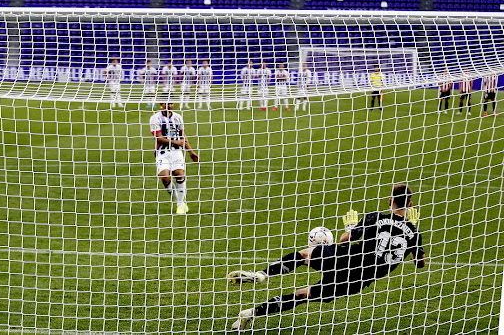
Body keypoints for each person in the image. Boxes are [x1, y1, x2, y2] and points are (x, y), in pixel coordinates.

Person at [227, 184, 426, 331]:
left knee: (305, 254)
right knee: (302, 295)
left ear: (390, 200)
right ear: (410, 204)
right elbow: (419, 264)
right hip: (358, 281)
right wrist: (411, 228)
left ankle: (262, 274)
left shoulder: (375, 217)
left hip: (347, 260)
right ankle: (250, 314)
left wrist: (350, 228)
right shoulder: (414, 232)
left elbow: (343, 240)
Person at [149, 102, 199, 214]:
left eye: (171, 103)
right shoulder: (155, 118)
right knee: (165, 177)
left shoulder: (178, 117)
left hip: (176, 151)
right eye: (166, 103)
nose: (169, 105)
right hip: (162, 152)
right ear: (161, 104)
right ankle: (180, 202)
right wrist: (175, 141)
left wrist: (191, 151)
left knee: (179, 174)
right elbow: (157, 138)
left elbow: (182, 135)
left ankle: (180, 206)